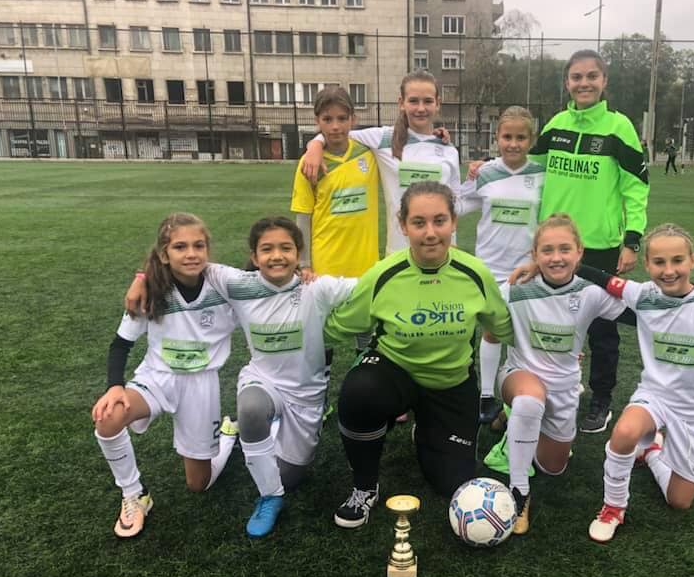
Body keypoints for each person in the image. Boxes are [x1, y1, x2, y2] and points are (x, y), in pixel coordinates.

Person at [126, 218, 357, 538]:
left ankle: (269, 435)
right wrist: (141, 278)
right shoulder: (235, 283)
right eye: (267, 249)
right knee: (250, 410)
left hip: (305, 394)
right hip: (262, 380)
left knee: (290, 477)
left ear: (299, 253)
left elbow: (368, 285)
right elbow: (183, 261)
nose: (277, 256)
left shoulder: (317, 288)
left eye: (286, 248)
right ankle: (270, 497)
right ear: (254, 256)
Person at [323, 181, 514, 528]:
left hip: (450, 383)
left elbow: (505, 328)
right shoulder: (382, 275)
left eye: (439, 221)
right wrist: (294, 296)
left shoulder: (475, 274)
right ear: (403, 225)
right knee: (359, 393)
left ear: (454, 222)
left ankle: (427, 429)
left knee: (452, 483)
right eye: (419, 222)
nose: (430, 233)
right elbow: (334, 327)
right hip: (394, 372)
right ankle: (364, 487)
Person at [584, 224, 694, 543]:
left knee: (679, 502)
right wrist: (549, 264)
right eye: (659, 262)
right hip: (655, 395)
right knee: (624, 432)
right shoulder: (643, 295)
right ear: (647, 264)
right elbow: (601, 278)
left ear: (692, 260)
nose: (668, 270)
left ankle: (652, 451)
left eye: (677, 260)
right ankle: (613, 508)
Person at [93, 212, 238, 538]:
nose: (191, 254)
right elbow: (120, 344)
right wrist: (115, 386)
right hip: (156, 378)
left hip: (201, 385)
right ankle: (134, 494)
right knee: (108, 417)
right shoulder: (151, 289)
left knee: (198, 485)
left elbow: (261, 281)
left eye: (199, 245)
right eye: (180, 247)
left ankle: (228, 436)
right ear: (164, 254)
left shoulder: (223, 283)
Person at [529, 49, 650, 434]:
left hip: (599, 246)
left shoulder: (619, 127)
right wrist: (489, 168)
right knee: (550, 320)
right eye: (576, 77)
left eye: (591, 76)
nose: (584, 83)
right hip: (552, 246)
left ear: (604, 81)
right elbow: (528, 172)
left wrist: (632, 240)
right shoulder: (556, 125)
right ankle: (554, 387)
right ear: (567, 82)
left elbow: (636, 188)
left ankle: (601, 399)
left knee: (601, 326)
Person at [496, 215, 636, 535]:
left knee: (554, 467)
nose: (556, 257)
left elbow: (641, 312)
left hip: (563, 388)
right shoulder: (517, 288)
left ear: (579, 252)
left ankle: (515, 422)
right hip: (519, 376)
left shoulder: (590, 293)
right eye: (547, 250)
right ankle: (519, 491)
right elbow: (483, 318)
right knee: (529, 402)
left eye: (564, 249)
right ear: (534, 254)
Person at [300, 70, 461, 258]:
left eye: (427, 101)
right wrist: (315, 144)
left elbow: (456, 203)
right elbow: (340, 132)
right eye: (413, 101)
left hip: (442, 250)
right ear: (401, 103)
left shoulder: (448, 149)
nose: (420, 108)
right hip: (399, 252)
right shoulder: (383, 138)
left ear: (437, 104)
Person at [454, 105, 545, 425]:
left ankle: (525, 393)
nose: (513, 144)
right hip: (489, 267)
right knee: (492, 330)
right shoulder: (486, 172)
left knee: (525, 333)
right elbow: (458, 206)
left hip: (528, 269)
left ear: (531, 139)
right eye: (507, 137)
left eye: (521, 138)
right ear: (497, 137)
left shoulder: (542, 174)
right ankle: (485, 396)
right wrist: (466, 177)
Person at [289, 87, 380, 281]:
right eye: (327, 119)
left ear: (353, 119)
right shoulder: (309, 164)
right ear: (317, 121)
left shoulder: (369, 153)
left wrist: (438, 137)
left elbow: (406, 135)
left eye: (342, 118)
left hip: (367, 267)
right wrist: (305, 264)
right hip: (325, 267)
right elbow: (303, 217)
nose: (335, 126)